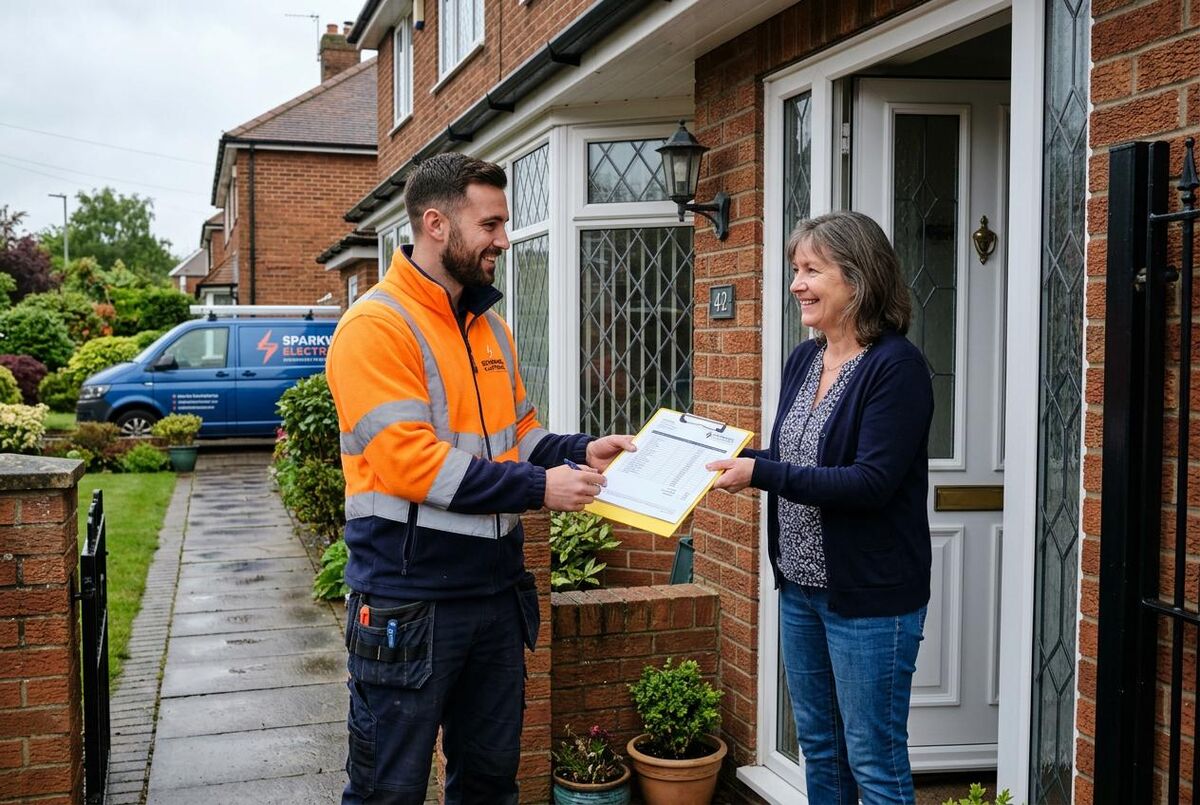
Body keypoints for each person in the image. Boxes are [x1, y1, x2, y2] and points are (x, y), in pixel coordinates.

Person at [326, 152, 634, 805]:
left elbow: (520, 435)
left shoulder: (491, 328)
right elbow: (413, 462)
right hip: (410, 602)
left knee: (491, 783)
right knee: (390, 788)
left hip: (493, 597)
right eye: (490, 224)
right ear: (436, 224)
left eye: (504, 223)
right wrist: (539, 489)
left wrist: (581, 450)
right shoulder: (375, 327)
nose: (504, 238)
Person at [707, 211, 933, 805]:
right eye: (795, 270)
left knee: (873, 759)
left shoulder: (896, 368)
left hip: (869, 596)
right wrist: (715, 456)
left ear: (858, 280)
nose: (796, 284)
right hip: (802, 589)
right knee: (821, 750)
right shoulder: (804, 361)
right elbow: (792, 458)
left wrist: (762, 472)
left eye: (812, 270)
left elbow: (870, 482)